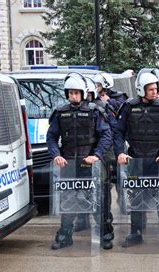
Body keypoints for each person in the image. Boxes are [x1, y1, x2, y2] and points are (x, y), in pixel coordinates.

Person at [47, 72, 113, 250]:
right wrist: (56, 155)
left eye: (76, 93)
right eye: (70, 93)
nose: (73, 96)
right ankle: (65, 236)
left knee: (98, 200)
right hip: (68, 164)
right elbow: (52, 137)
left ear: (83, 93)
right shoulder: (61, 113)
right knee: (67, 201)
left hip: (89, 164)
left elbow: (106, 135)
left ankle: (104, 233)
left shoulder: (94, 112)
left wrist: (97, 155)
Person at [113, 71, 159, 248]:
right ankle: (136, 233)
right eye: (150, 89)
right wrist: (120, 151)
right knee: (136, 197)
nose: (154, 92)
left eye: (156, 89)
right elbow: (118, 131)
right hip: (136, 160)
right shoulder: (128, 107)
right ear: (141, 89)